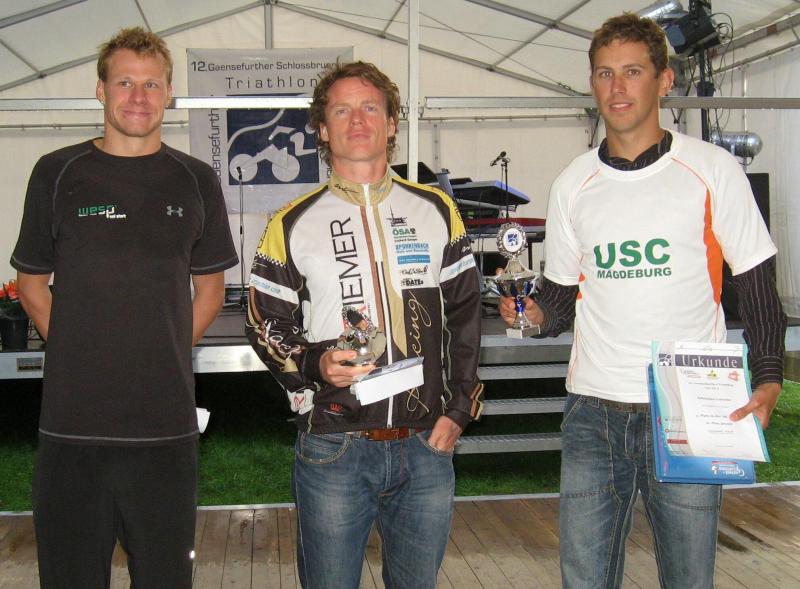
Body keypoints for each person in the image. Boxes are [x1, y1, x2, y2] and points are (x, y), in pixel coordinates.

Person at [499, 13, 787, 589]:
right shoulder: (573, 183)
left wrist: (770, 376)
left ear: (665, 80)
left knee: (688, 577)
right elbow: (561, 297)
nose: (617, 87)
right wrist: (531, 315)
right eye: (605, 73)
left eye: (632, 71)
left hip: (687, 405)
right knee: (584, 578)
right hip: (593, 410)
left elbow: (756, 281)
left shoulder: (711, 170)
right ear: (592, 83)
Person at [11, 27, 237, 589]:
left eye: (152, 84)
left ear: (169, 94)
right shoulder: (56, 172)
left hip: (165, 431)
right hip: (72, 430)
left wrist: (164, 351)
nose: (139, 96)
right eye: (125, 83)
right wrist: (76, 350)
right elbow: (31, 285)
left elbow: (210, 290)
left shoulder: (195, 179)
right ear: (101, 90)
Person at [246, 61, 484, 589]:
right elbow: (262, 319)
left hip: (426, 444)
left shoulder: (437, 210)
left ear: (392, 123)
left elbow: (466, 316)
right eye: (342, 110)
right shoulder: (291, 221)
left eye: (370, 108)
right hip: (335, 446)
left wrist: (460, 409)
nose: (358, 120)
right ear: (321, 128)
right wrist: (313, 362)